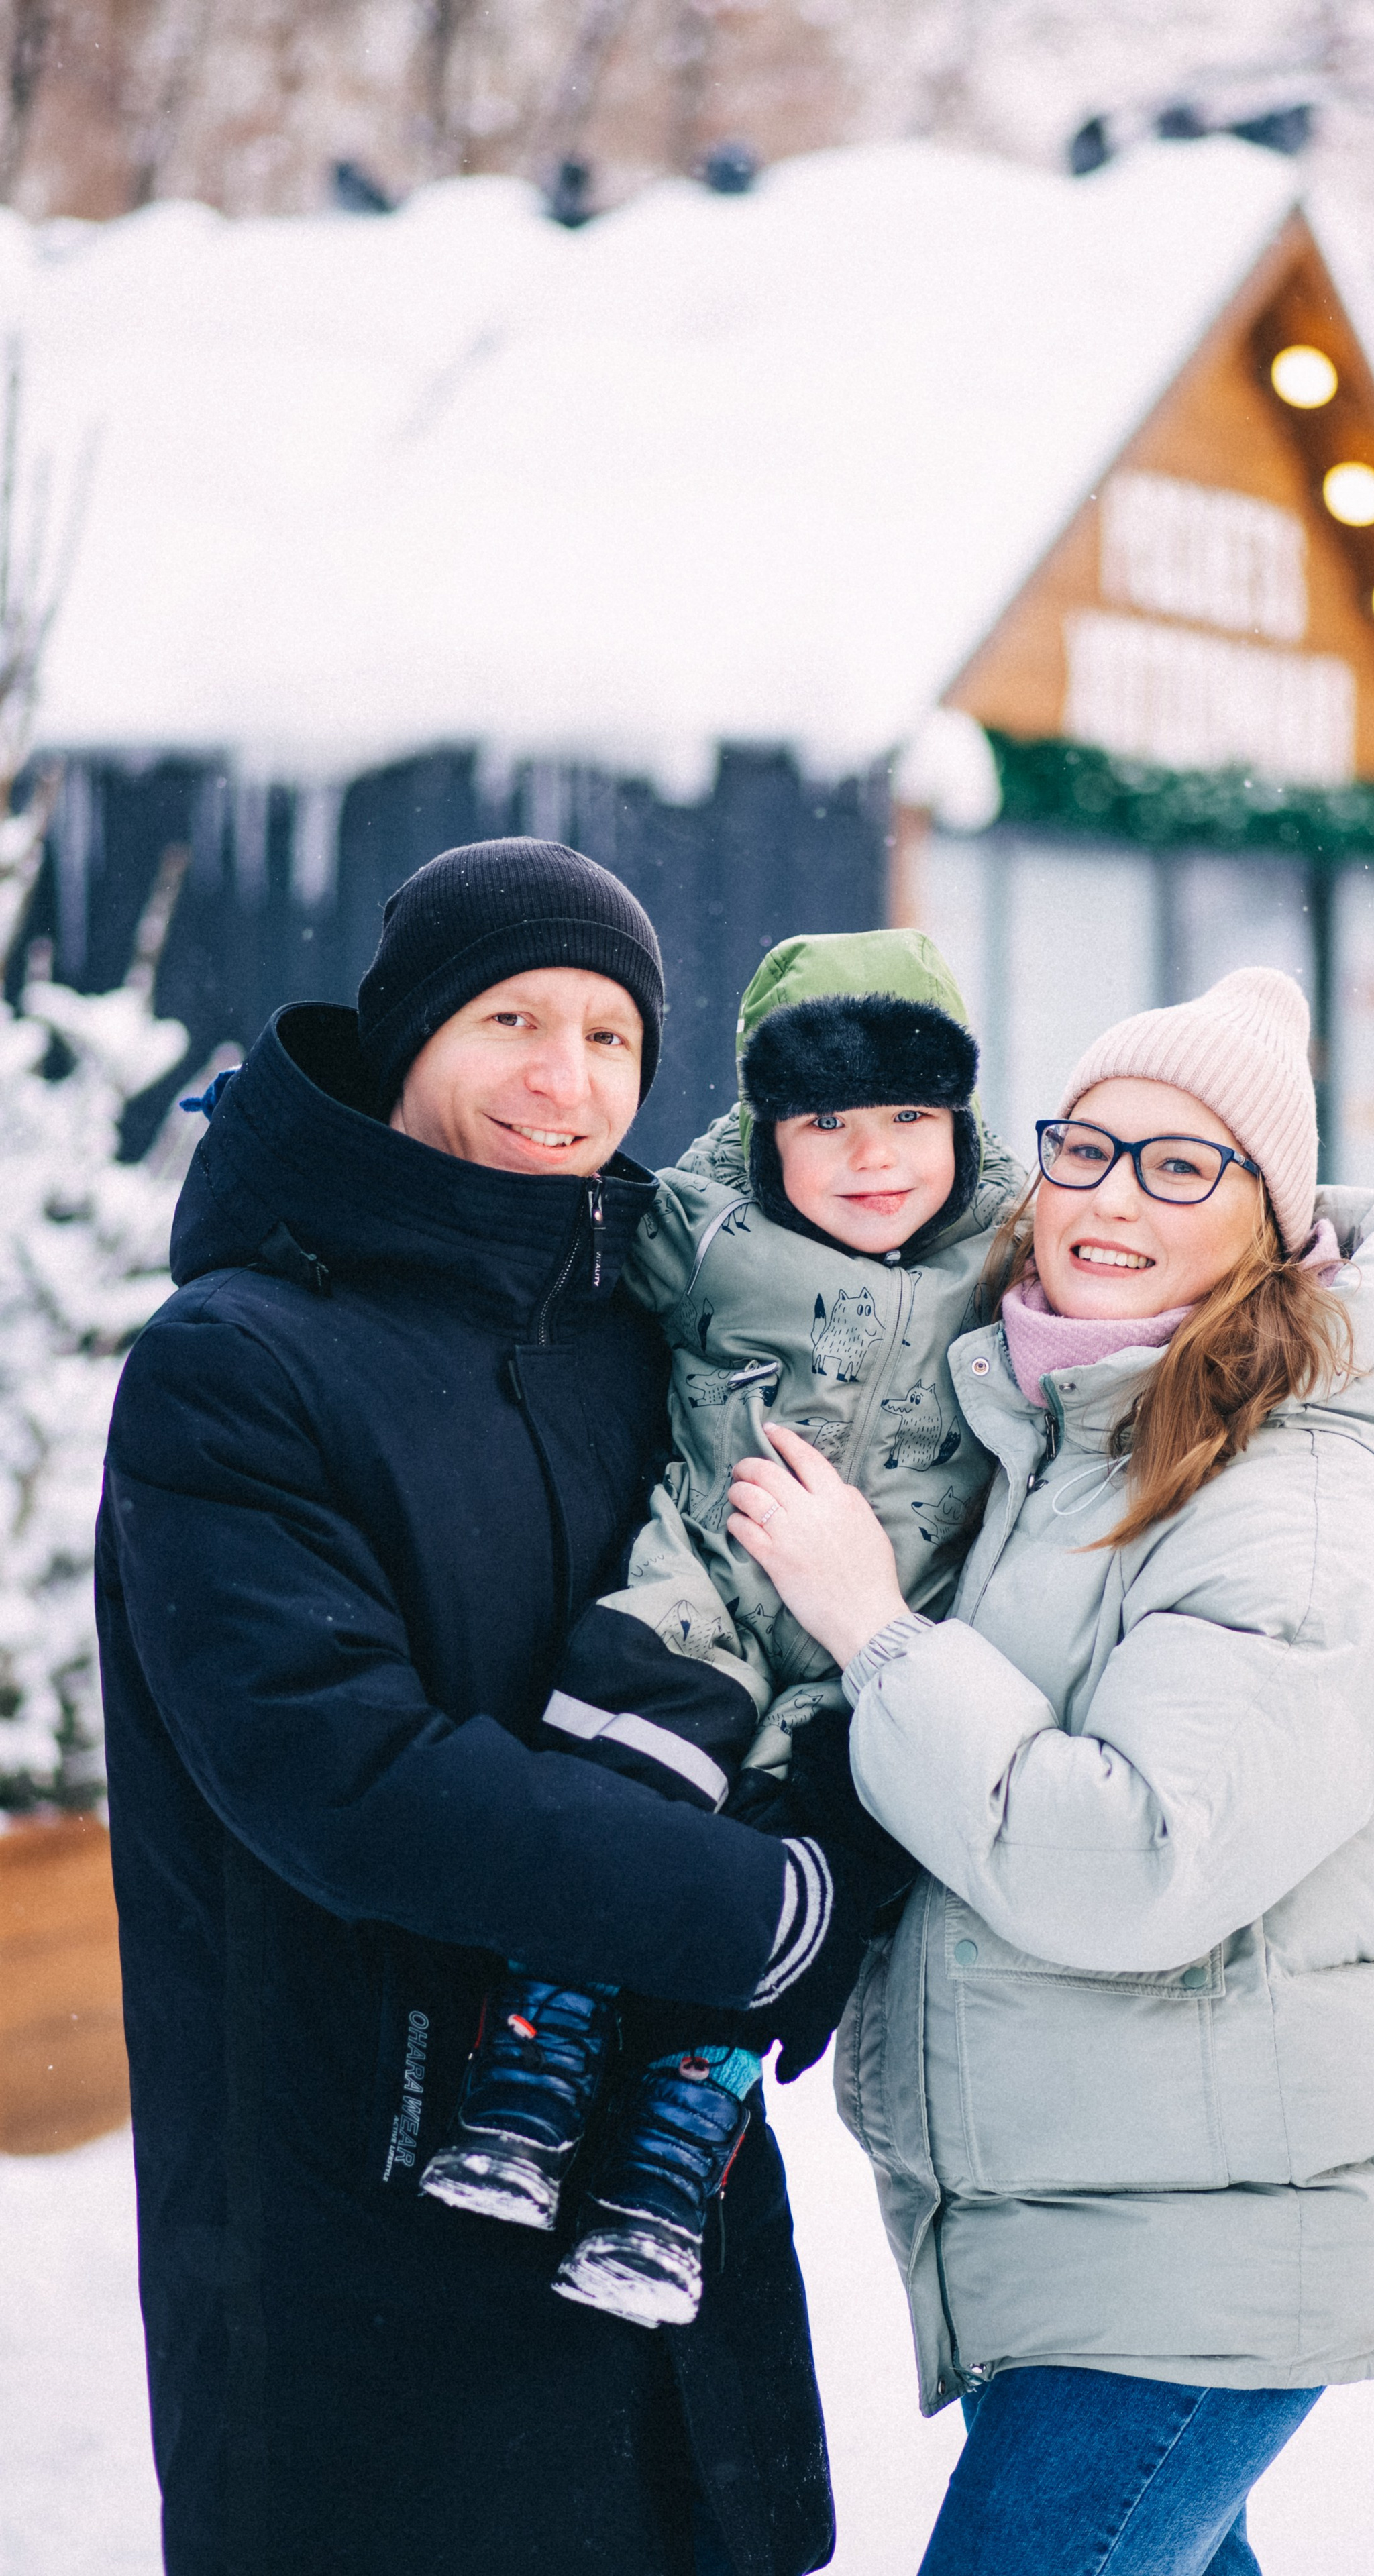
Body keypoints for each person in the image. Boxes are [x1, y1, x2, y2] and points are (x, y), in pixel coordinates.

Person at [95, 839, 870, 2576]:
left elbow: (774, 1652)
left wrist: (833, 1873)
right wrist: (758, 1912)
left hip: (669, 2240)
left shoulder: (652, 1341)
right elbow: (343, 1774)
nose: (562, 1078)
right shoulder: (239, 1365)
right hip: (370, 2245)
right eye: (511, 1018)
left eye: (609, 1036)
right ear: (407, 1035)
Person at [721, 967, 1374, 2576]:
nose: (1110, 1197)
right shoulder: (1065, 1435)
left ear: (1271, 1224)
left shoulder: (1287, 1510)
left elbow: (1126, 1863)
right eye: (1083, 1147)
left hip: (1195, 2263)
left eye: (1181, 1165)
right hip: (1100, 2232)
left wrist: (872, 1627)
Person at [419, 928, 1024, 2334]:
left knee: (784, 1876)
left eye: (909, 1116)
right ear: (765, 1132)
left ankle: (671, 2154)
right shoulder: (701, 1228)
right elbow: (519, 1239)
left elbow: (1173, 1239)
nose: (872, 1158)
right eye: (823, 1122)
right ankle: (537, 2063)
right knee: (622, 1801)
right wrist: (341, 1178)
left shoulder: (1019, 1246)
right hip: (697, 1593)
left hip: (870, 1655)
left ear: (960, 1118)